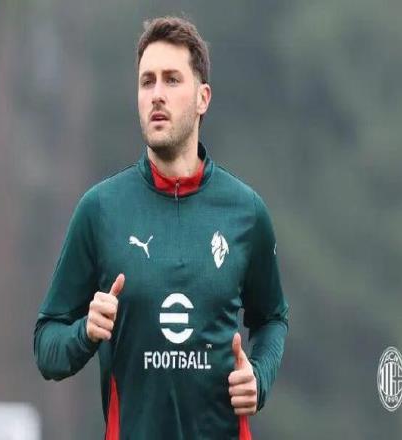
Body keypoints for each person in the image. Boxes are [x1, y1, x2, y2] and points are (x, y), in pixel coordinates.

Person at [33, 16, 289, 440]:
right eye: (146, 81)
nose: (156, 94)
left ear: (203, 98)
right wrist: (85, 332)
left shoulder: (246, 212)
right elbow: (47, 345)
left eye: (172, 80)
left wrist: (258, 378)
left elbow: (272, 318)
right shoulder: (101, 210)